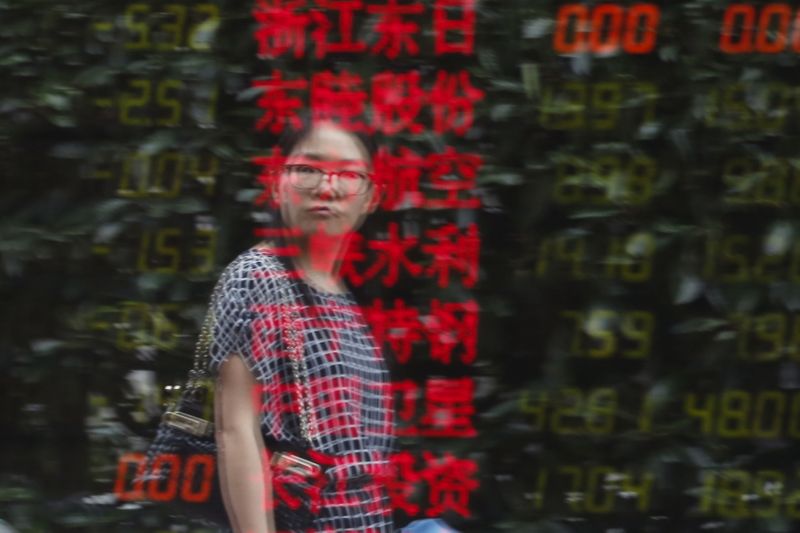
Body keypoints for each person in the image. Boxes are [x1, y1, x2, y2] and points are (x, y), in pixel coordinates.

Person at [209, 120, 395, 533]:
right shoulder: (257, 277)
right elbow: (235, 431)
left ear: (371, 197)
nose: (326, 187)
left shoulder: (340, 292)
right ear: (277, 183)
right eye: (308, 169)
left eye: (349, 174)